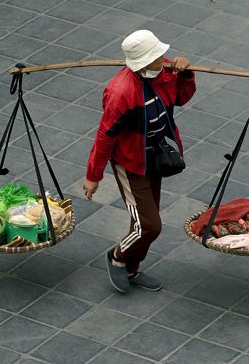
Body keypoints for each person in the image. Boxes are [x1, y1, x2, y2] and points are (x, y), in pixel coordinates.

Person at [83, 30, 196, 293]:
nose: (163, 60)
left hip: (152, 157)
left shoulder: (164, 74)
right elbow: (105, 137)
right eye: (157, 58)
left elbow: (181, 97)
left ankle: (132, 269)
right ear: (142, 64)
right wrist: (93, 176)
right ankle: (118, 258)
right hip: (130, 162)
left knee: (144, 221)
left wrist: (186, 74)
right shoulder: (121, 93)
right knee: (149, 225)